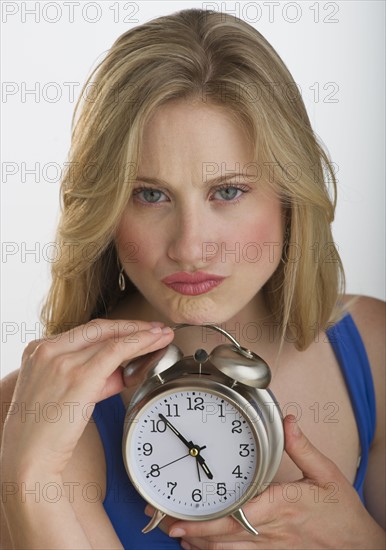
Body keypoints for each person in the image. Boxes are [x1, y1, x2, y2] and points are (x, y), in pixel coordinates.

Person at [1, 8, 385, 550]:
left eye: (227, 191)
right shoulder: (34, 413)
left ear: (290, 197)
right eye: (150, 194)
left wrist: (360, 540)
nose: (189, 247)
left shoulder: (375, 349)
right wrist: (29, 480)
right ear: (106, 210)